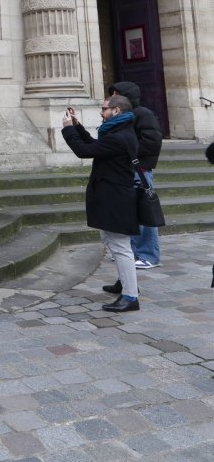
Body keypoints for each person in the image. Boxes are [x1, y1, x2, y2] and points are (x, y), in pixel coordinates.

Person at [61, 95, 141, 314]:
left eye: (104, 108)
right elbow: (96, 146)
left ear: (116, 111)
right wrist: (77, 127)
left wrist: (67, 129)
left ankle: (131, 296)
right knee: (113, 242)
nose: (101, 111)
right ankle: (125, 284)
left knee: (120, 246)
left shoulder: (119, 136)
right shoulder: (118, 132)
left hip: (116, 198)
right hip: (112, 195)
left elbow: (84, 151)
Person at [108, 80, 163, 269]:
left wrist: (124, 149)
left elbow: (152, 143)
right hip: (124, 170)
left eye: (115, 93)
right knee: (128, 214)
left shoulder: (143, 114)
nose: (112, 97)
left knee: (145, 214)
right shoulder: (121, 115)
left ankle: (149, 255)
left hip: (139, 170)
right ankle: (130, 252)